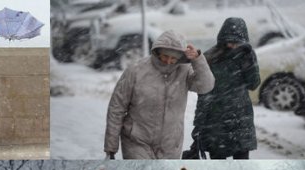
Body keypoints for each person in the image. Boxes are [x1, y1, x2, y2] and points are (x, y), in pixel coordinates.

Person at [104, 30, 215, 159]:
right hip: (137, 142)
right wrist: (111, 148)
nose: (168, 61)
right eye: (165, 56)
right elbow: (116, 108)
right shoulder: (135, 71)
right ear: (157, 52)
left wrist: (198, 60)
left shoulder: (184, 71)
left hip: (170, 145)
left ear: (180, 57)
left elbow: (206, 86)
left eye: (173, 58)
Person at [188, 17, 261, 159]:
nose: (233, 46)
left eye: (237, 42)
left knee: (242, 168)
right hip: (216, 122)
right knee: (219, 167)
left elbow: (253, 84)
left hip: (241, 120)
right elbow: (204, 93)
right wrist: (198, 125)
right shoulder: (210, 57)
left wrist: (248, 61)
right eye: (230, 41)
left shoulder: (246, 55)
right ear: (222, 38)